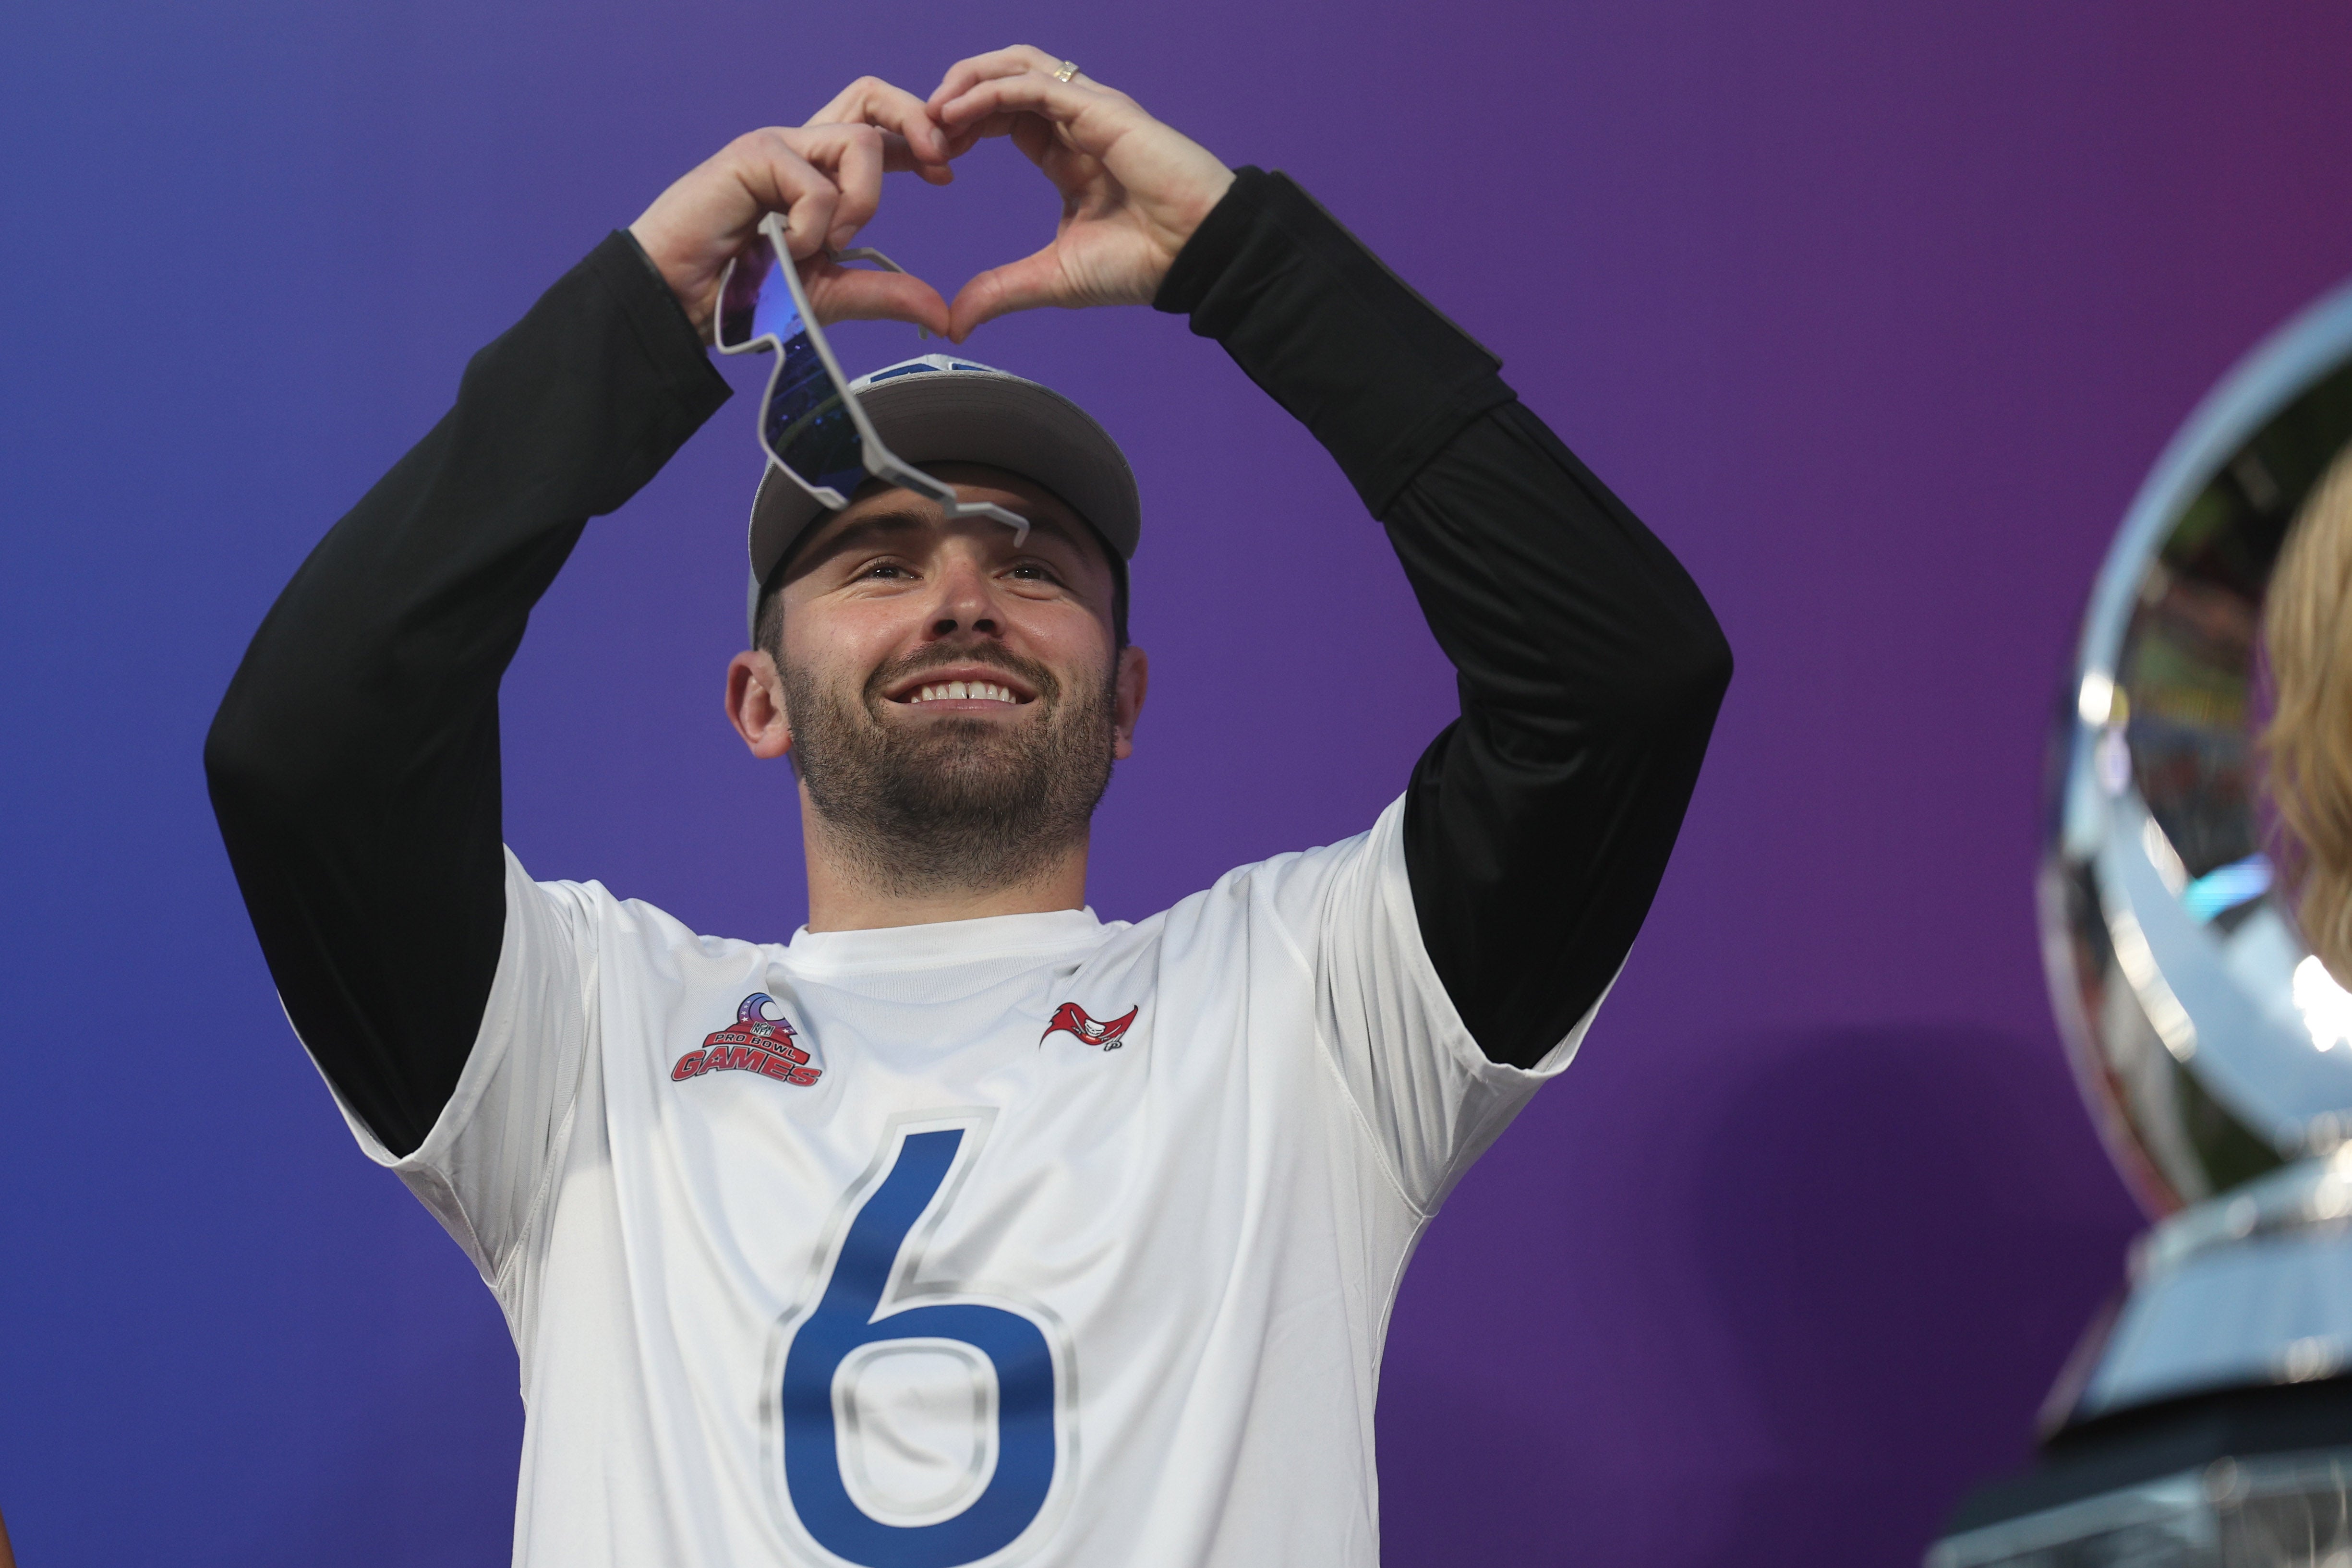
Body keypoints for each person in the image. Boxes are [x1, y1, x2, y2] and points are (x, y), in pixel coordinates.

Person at [205, 46, 1730, 1568]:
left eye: (1031, 563)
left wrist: (1244, 262)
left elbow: (1617, 682)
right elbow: (312, 747)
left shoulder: (1310, 1002)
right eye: (875, 561)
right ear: (758, 698)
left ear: (1124, 699)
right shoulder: (582, 1036)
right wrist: (641, 322)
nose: (961, 601)